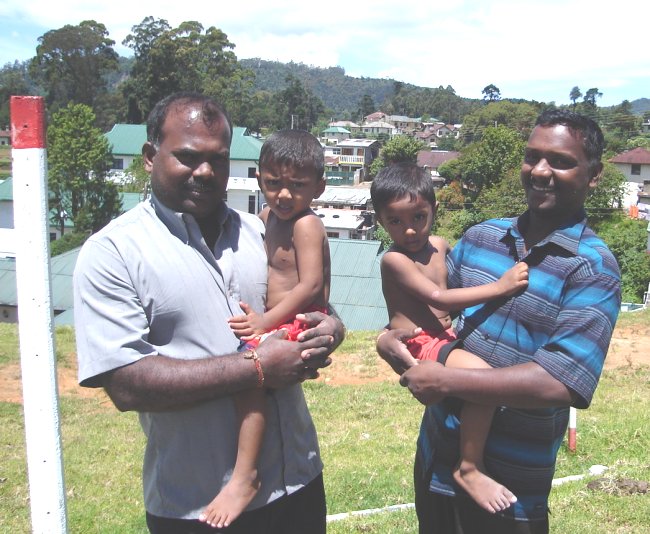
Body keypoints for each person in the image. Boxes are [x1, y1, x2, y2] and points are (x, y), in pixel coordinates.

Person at [73, 92, 344, 534]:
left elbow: (311, 300)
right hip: (197, 503)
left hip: (297, 478)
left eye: (217, 160)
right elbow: (125, 384)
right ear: (148, 157)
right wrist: (255, 367)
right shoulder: (114, 253)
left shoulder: (261, 229)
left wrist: (331, 327)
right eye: (187, 156)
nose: (204, 171)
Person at [377, 110, 621, 533]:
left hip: (512, 484)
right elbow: (432, 313)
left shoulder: (593, 269)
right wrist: (386, 340)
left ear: (593, 175)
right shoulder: (480, 238)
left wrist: (449, 382)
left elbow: (561, 382)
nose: (540, 171)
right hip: (438, 455)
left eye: (560, 161)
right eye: (532, 157)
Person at [371, 162, 528, 514]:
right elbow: (439, 299)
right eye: (395, 221)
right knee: (485, 380)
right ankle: (468, 467)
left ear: (434, 208)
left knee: (476, 385)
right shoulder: (393, 260)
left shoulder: (442, 246)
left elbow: (454, 289)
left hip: (445, 337)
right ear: (381, 221)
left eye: (418, 217)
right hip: (420, 341)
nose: (409, 229)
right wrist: (501, 287)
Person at [200, 129, 330, 528]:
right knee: (247, 377)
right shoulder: (264, 219)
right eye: (274, 184)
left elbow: (309, 285)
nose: (284, 195)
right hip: (279, 320)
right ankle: (248, 471)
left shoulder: (306, 224)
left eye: (297, 185)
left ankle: (245, 476)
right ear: (260, 179)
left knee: (248, 376)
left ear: (319, 187)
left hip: (297, 320)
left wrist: (265, 322)